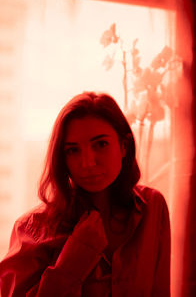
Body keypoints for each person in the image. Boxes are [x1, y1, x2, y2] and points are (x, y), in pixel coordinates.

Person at [0, 92, 171, 297]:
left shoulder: (152, 207)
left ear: (124, 146)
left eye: (100, 144)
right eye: (73, 150)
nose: (87, 163)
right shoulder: (32, 229)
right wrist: (72, 261)